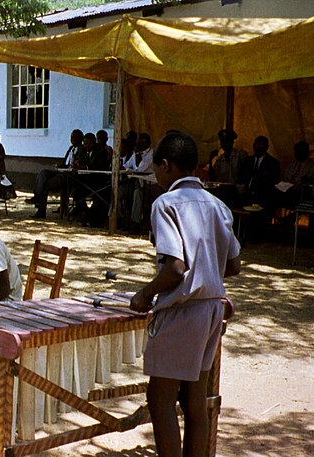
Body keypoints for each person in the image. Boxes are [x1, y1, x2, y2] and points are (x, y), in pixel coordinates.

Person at [130, 131, 240, 457]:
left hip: (183, 309)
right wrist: (207, 269)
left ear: (166, 165)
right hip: (212, 311)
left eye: (155, 168)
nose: (155, 175)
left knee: (160, 399)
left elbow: (176, 267)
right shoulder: (219, 206)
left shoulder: (165, 203)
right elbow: (233, 265)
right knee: (194, 399)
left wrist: (144, 294)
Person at [30, 129, 83, 218]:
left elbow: (77, 164)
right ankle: (37, 196)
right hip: (62, 170)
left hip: (69, 175)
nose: (72, 139)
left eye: (75, 137)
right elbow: (65, 161)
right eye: (71, 137)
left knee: (45, 185)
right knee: (43, 173)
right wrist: (60, 166)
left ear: (80, 139)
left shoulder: (82, 149)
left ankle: (41, 211)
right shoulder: (71, 148)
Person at [277, 141, 314, 208]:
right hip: (286, 191)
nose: (298, 153)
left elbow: (309, 183)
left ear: (307, 152)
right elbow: (283, 178)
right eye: (297, 151)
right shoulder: (291, 165)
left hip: (300, 194)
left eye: (301, 151)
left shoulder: (312, 166)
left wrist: (295, 186)